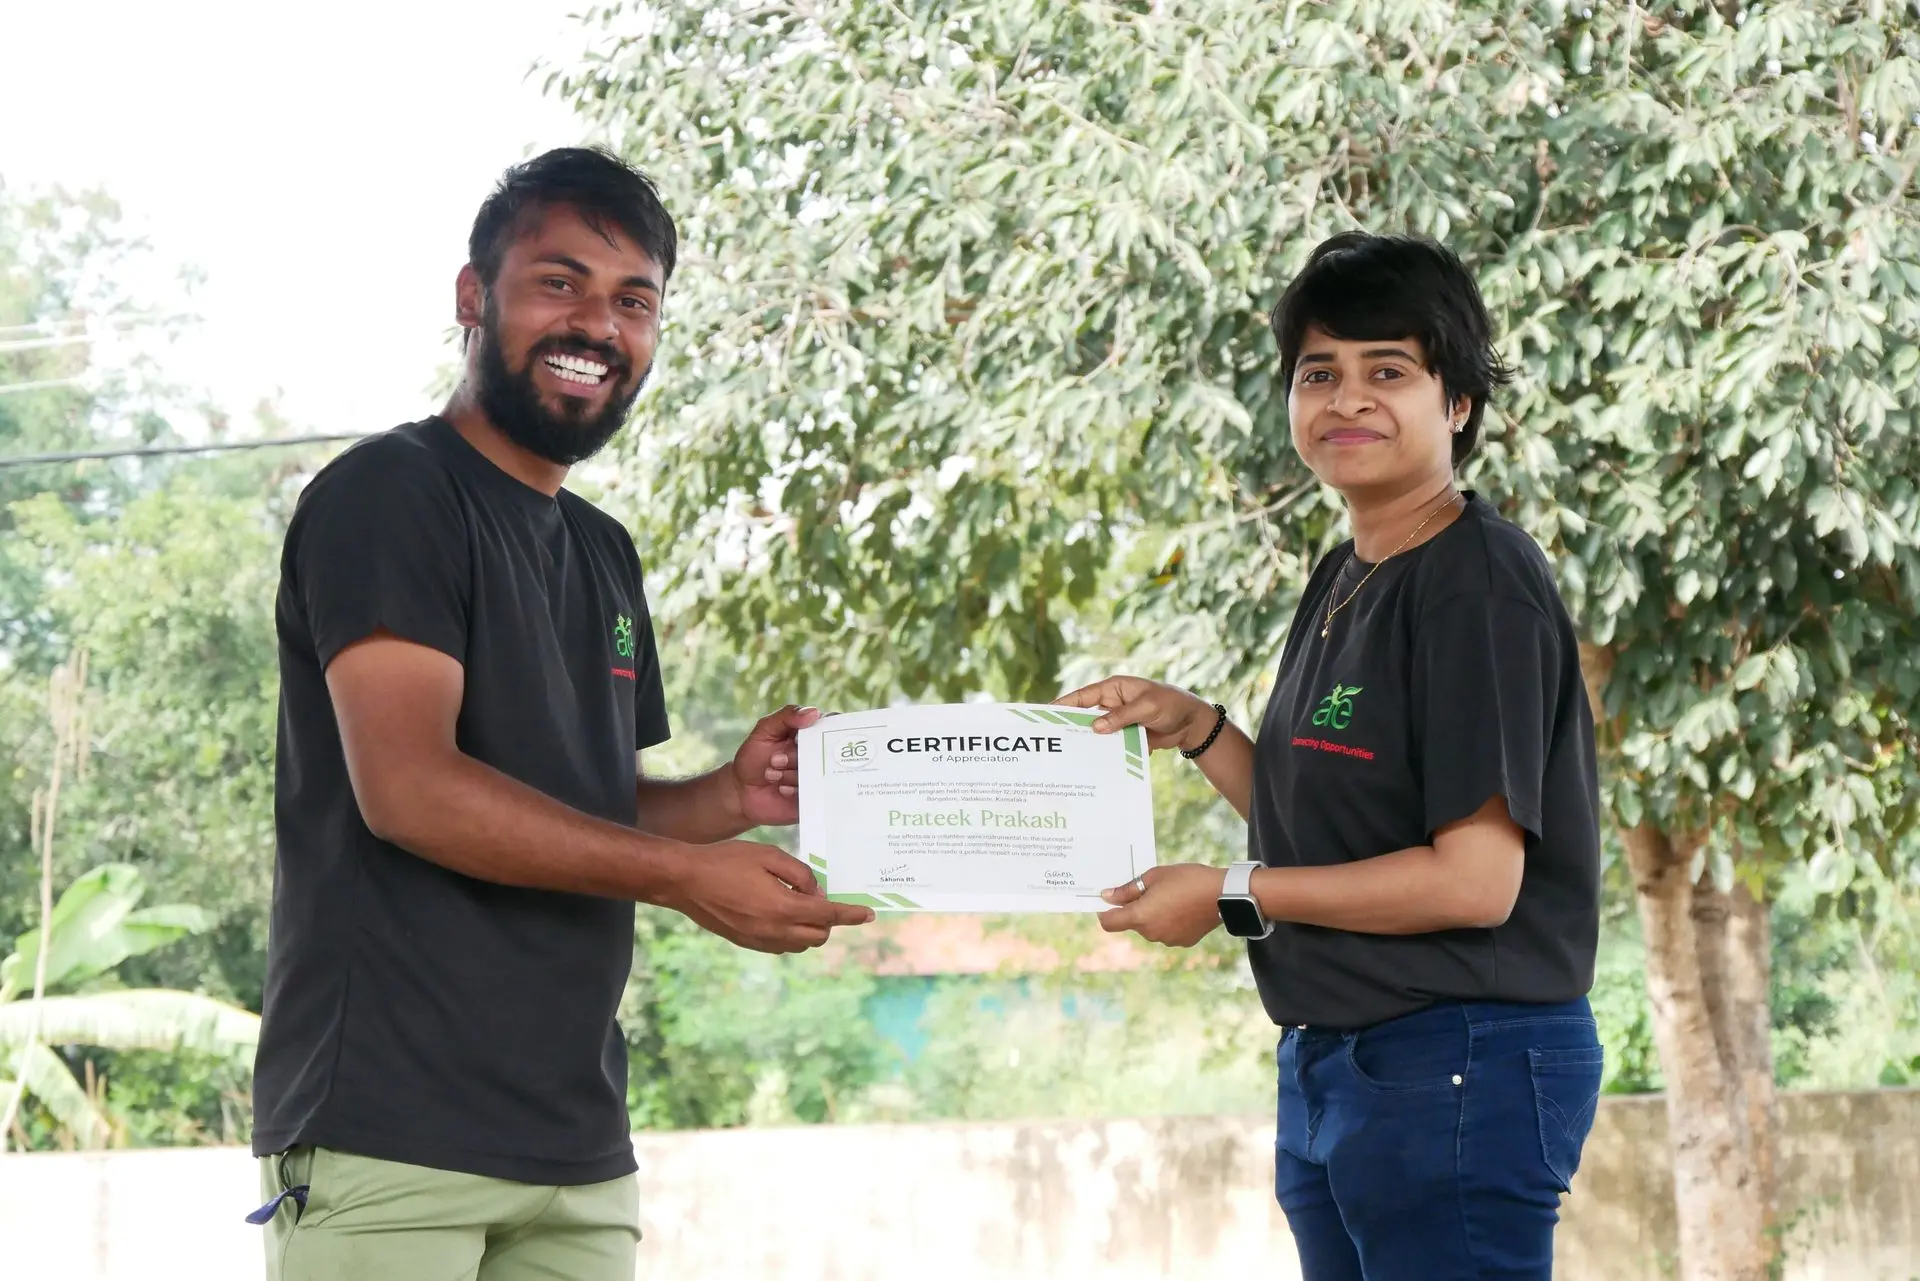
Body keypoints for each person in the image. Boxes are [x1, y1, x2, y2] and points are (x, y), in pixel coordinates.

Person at [248, 147, 873, 1281]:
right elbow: (412, 791)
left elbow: (593, 808)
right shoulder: (391, 495)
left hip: (576, 1147)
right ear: (472, 296)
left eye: (634, 300)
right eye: (559, 282)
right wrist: (686, 878)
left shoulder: (601, 550)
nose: (598, 324)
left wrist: (730, 798)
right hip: (389, 1132)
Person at [1061, 232, 1604, 1280]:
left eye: (1387, 371)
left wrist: (1227, 894)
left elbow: (1475, 882)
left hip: (1457, 1059)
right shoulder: (1347, 571)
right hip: (1337, 1062)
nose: (1346, 399)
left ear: (1458, 403)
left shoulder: (1476, 584)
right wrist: (1197, 729)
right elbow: (1319, 823)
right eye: (1319, 374)